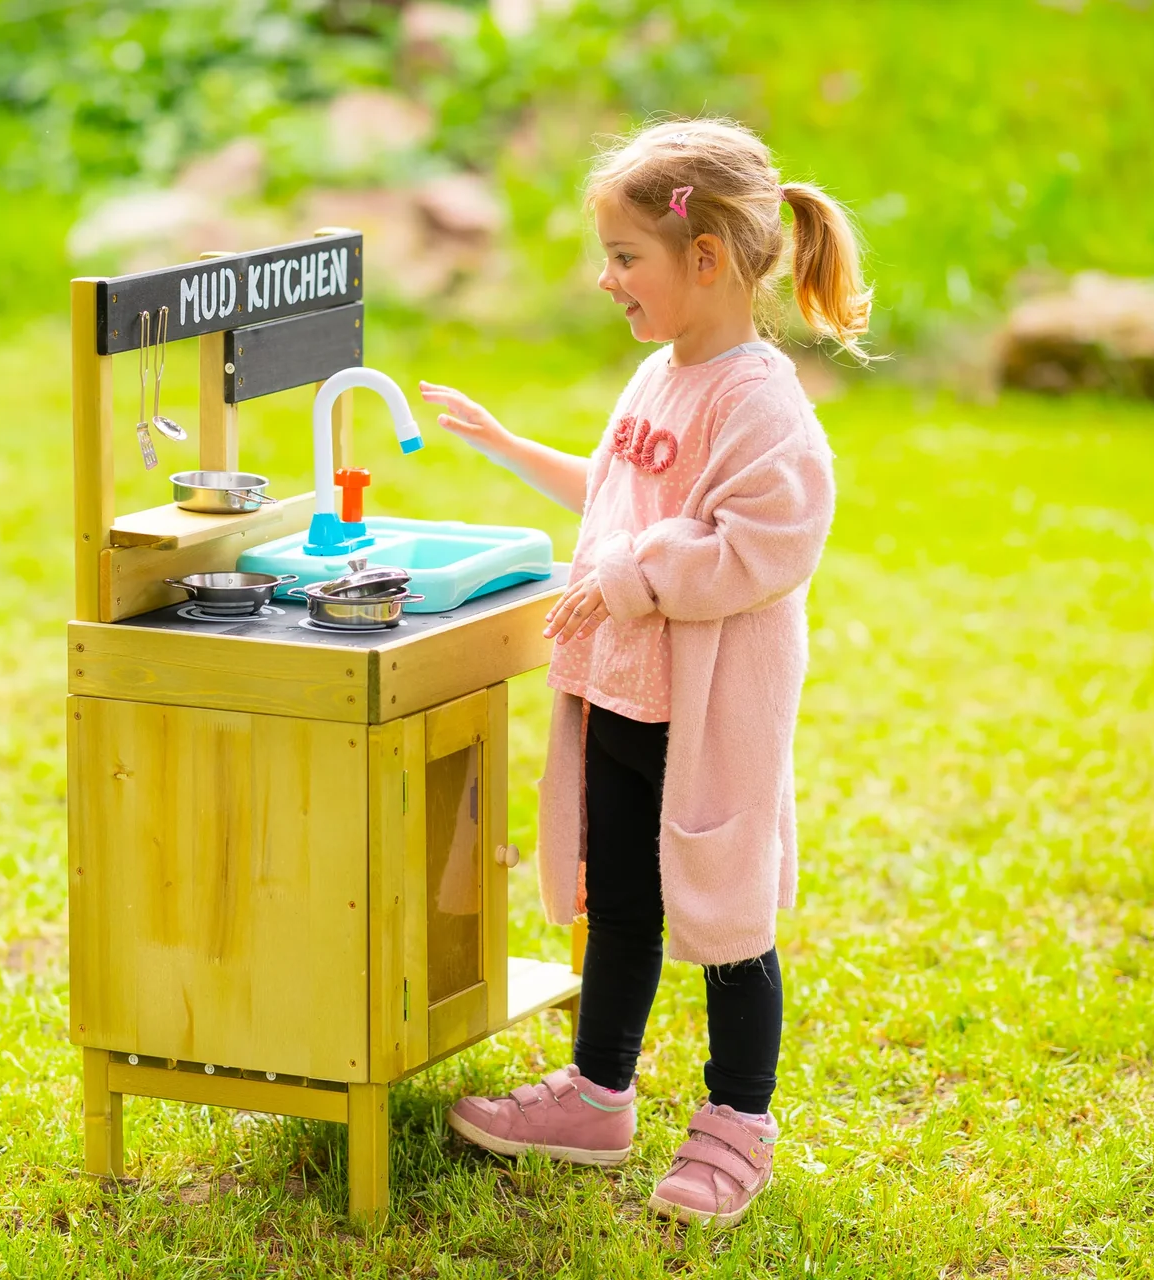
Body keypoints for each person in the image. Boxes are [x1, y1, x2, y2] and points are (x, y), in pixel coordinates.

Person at [419, 117, 870, 1228]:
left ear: (704, 258)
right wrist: (509, 446)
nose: (607, 279)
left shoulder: (761, 402)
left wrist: (629, 574)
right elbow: (626, 499)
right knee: (619, 906)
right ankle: (598, 1093)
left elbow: (761, 549)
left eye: (627, 257)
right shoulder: (657, 379)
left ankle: (736, 1124)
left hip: (707, 714)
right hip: (624, 690)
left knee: (726, 919)